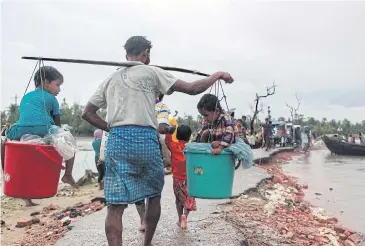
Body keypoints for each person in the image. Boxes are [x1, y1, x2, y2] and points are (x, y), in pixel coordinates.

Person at [81, 36, 234, 246]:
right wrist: (217, 75)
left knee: (115, 206)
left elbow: (87, 113)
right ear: (145, 53)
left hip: (117, 142)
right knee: (153, 196)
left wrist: (111, 128)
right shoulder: (152, 71)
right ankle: (147, 244)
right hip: (145, 140)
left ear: (127, 56)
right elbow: (192, 88)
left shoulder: (110, 79)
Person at [1, 66, 77, 207]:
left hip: (20, 130)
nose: (59, 90)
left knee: (5, 140)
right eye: (57, 85)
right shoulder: (52, 99)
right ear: (46, 83)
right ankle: (68, 174)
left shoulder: (26, 97)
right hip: (44, 129)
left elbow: (26, 117)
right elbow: (57, 124)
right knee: (69, 142)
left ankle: (7, 174)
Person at [165, 125, 196, 230]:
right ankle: (185, 217)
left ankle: (179, 219)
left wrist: (170, 132)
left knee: (178, 200)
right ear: (189, 137)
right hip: (189, 179)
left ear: (177, 135)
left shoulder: (173, 146)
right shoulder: (191, 148)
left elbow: (167, 141)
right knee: (189, 199)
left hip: (177, 179)